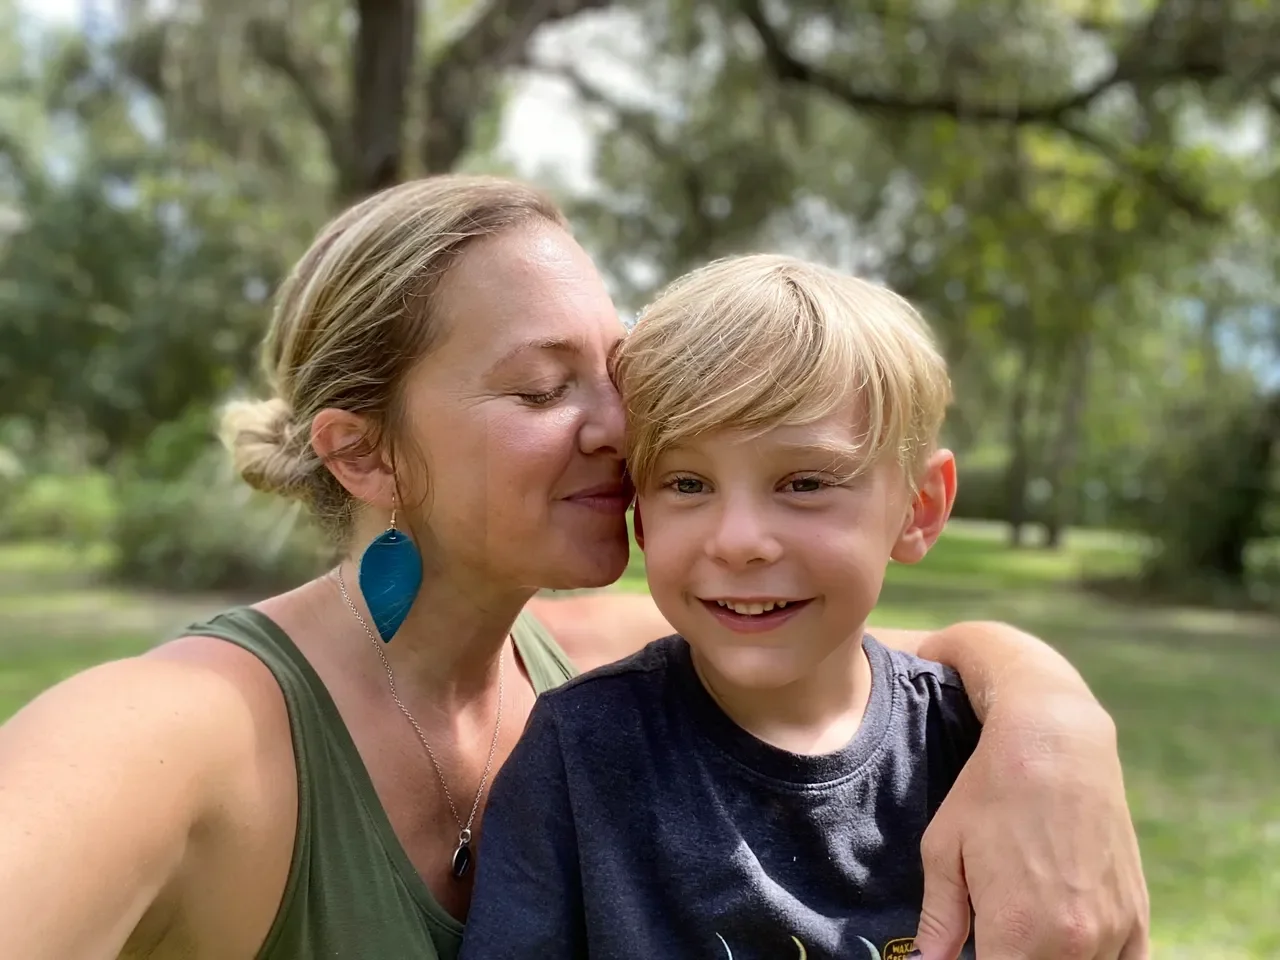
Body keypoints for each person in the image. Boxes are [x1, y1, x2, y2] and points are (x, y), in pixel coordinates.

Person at [0, 175, 1147, 960]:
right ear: (364, 455)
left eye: (617, 374)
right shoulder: (173, 734)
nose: (619, 428)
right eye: (545, 389)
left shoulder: (592, 658)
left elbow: (895, 667)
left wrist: (1054, 735)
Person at [459, 253, 979, 960]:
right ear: (641, 516)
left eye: (803, 483)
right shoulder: (580, 756)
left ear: (919, 508)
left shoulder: (977, 752)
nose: (737, 542)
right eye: (687, 483)